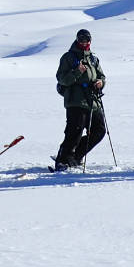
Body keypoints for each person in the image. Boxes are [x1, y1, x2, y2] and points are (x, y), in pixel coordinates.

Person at [53, 29, 107, 170]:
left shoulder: (93, 59)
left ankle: (75, 156)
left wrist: (101, 83)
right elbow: (62, 79)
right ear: (77, 40)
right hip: (75, 100)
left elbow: (102, 76)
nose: (85, 42)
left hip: (93, 101)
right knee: (74, 132)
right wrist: (78, 72)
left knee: (99, 131)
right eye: (82, 39)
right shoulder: (68, 57)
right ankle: (63, 160)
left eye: (87, 39)